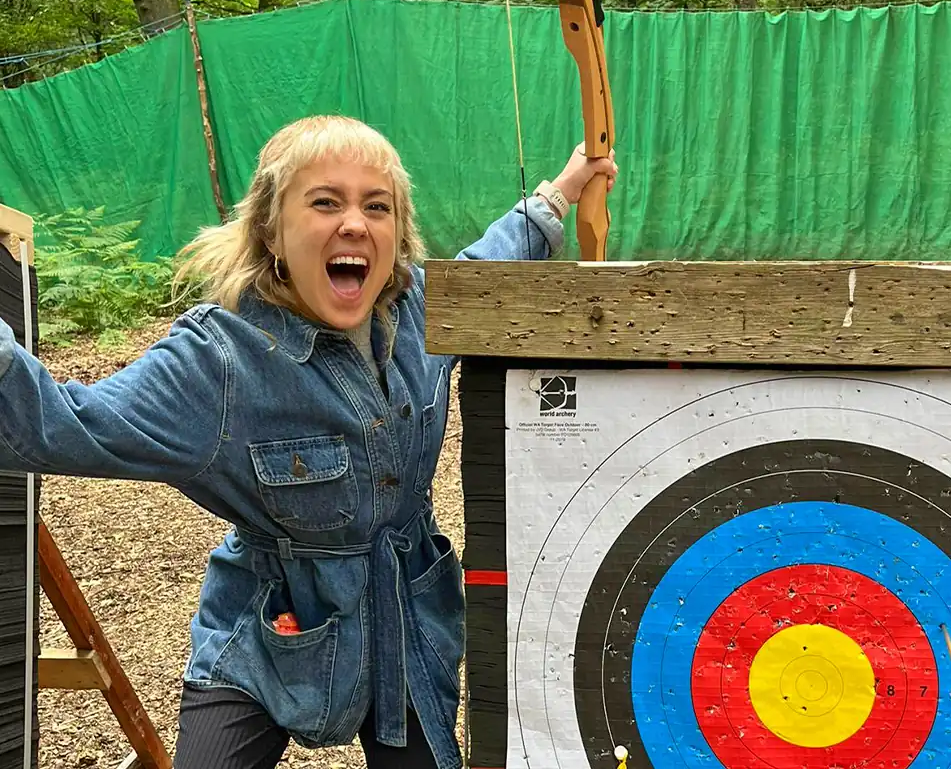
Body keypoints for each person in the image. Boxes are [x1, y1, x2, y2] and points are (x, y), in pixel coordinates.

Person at [0, 115, 617, 769]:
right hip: (268, 626)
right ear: (272, 227)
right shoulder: (219, 359)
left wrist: (563, 191)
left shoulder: (421, 310)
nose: (354, 222)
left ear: (396, 234)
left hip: (406, 612)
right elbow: (63, 424)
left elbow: (486, 263)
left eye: (376, 207)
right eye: (325, 201)